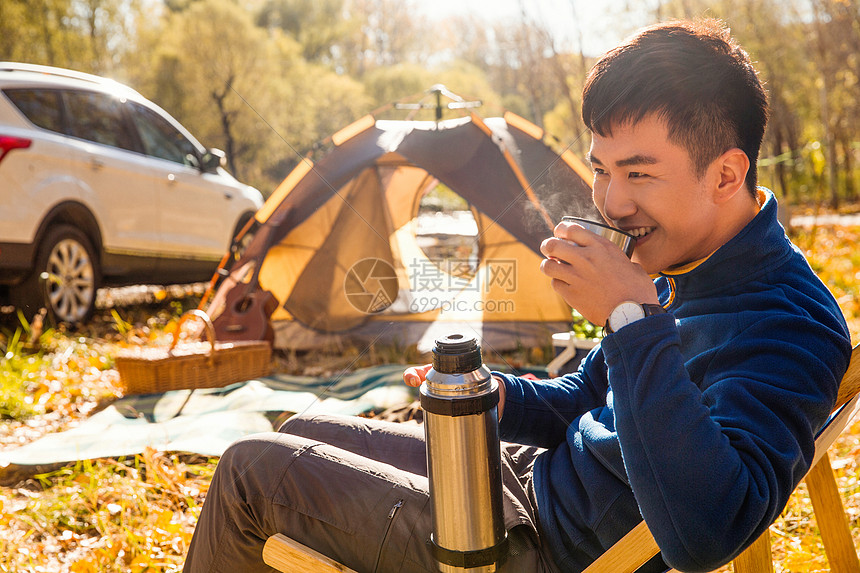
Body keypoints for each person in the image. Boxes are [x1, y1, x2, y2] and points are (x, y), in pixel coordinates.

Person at [183, 18, 852, 573]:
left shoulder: (788, 322)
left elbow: (707, 531)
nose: (612, 203)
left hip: (535, 546)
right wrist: (502, 394)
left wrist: (629, 318)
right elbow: (590, 401)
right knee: (296, 430)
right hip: (525, 476)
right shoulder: (686, 261)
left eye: (639, 174)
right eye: (600, 169)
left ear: (727, 174)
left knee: (248, 475)